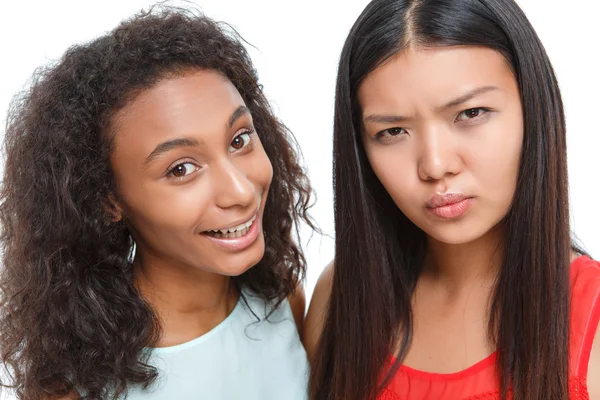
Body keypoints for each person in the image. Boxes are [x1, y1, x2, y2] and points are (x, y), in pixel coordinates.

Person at [0, 7, 312, 400]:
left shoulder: (284, 299)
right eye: (181, 168)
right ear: (108, 200)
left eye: (238, 140)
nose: (241, 191)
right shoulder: (73, 387)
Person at [304, 0, 600, 399]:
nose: (436, 164)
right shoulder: (341, 297)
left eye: (471, 112)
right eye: (392, 132)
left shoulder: (590, 318)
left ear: (534, 108)